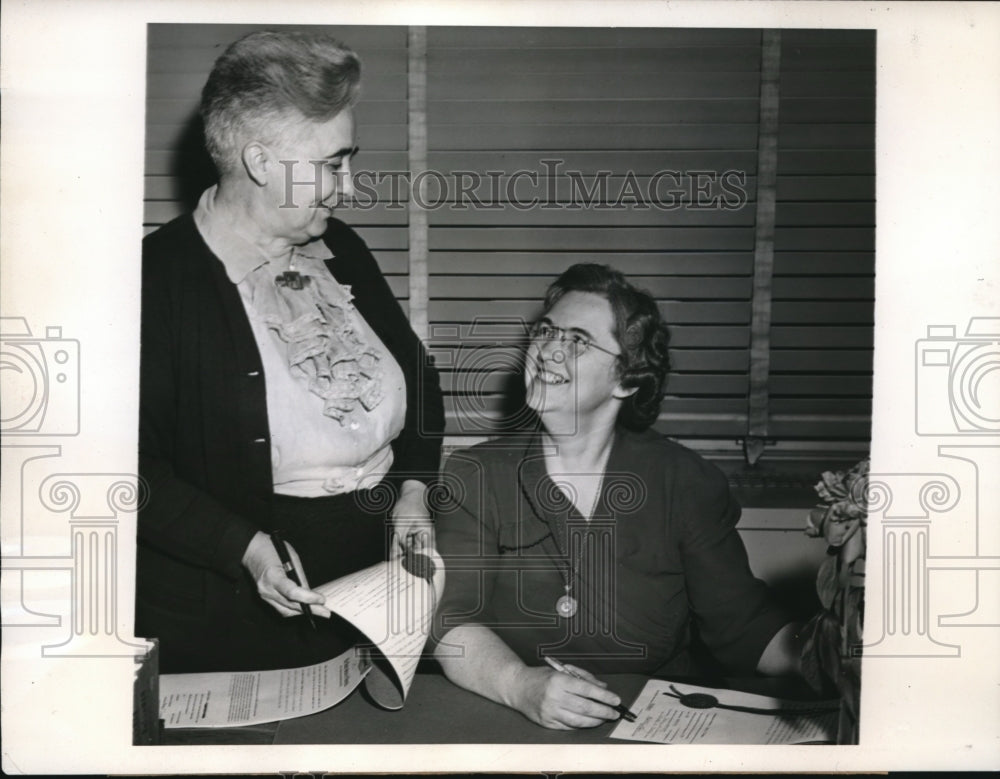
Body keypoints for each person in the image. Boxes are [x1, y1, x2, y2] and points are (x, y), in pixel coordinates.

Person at [137, 30, 443, 674]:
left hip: (370, 604)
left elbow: (418, 376)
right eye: (333, 164)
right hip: (232, 630)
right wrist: (244, 547)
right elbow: (130, 473)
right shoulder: (153, 281)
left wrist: (413, 491)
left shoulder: (342, 247)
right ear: (259, 162)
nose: (350, 187)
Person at [431, 263, 801, 730]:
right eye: (546, 332)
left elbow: (746, 629)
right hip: (513, 719)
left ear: (627, 380)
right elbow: (451, 619)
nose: (547, 351)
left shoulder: (684, 481)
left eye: (578, 341)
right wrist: (519, 685)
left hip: (655, 725)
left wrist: (839, 660)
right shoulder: (477, 475)